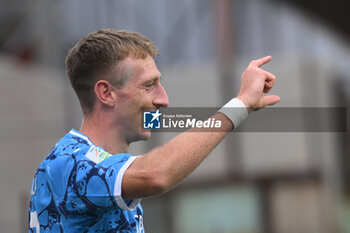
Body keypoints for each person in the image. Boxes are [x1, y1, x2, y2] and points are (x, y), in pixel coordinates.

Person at [28, 29, 280, 233]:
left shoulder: (111, 173)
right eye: (149, 86)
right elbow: (156, 175)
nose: (164, 100)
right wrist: (239, 105)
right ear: (106, 93)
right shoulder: (70, 162)